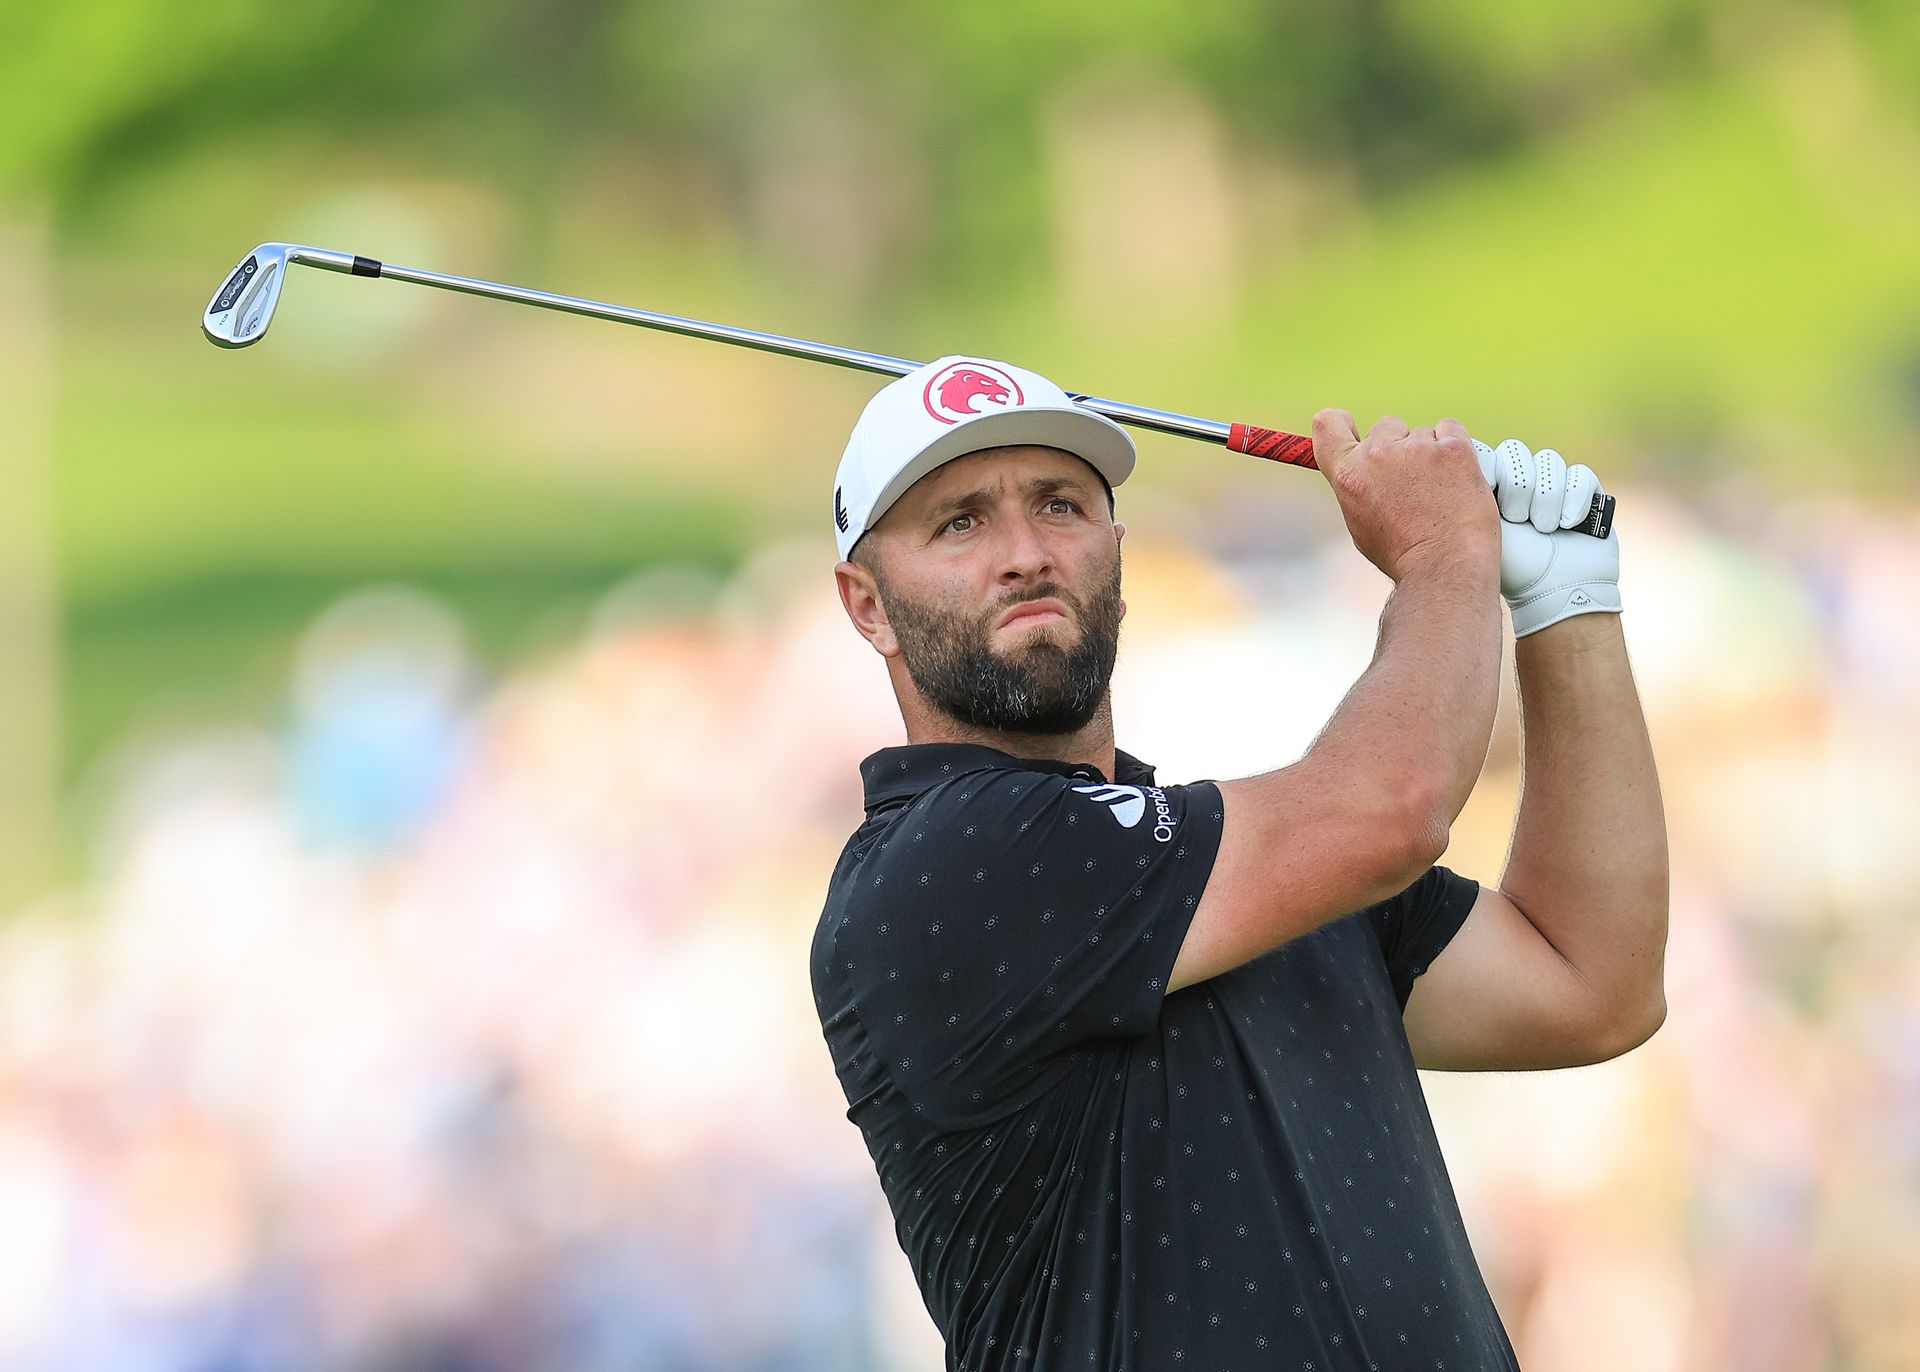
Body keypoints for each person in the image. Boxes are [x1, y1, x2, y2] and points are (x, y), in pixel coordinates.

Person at [809, 355, 1669, 1370]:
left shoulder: (1241, 863)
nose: (1026, 553)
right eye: (961, 521)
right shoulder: (941, 859)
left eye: (1060, 505)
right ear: (866, 603)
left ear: (1117, 550)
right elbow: (1395, 807)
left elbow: (1590, 983)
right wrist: (1445, 558)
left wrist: (1567, 605)